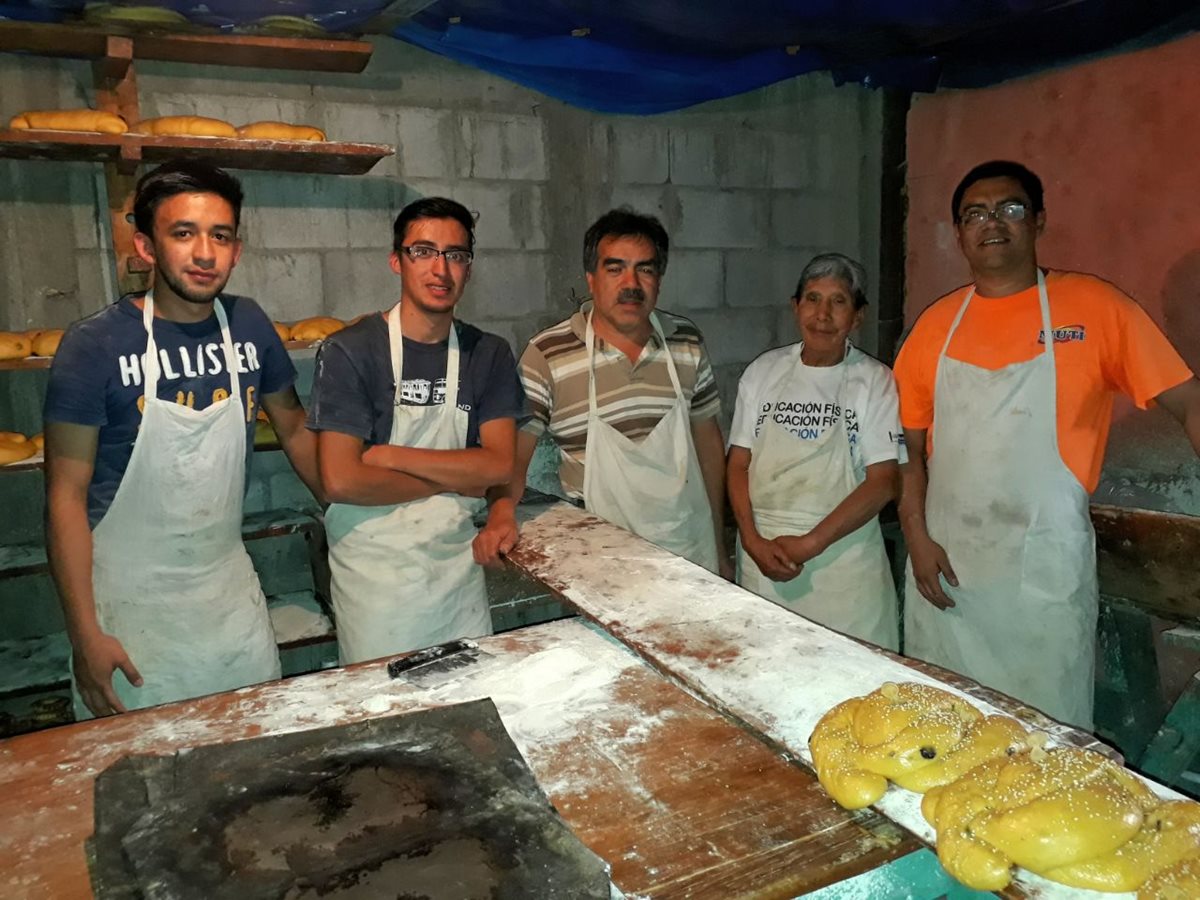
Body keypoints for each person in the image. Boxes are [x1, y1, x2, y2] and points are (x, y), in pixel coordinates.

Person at [895, 160, 1200, 728]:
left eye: (1010, 208)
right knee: (942, 727)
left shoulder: (1095, 308)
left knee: (1044, 736)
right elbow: (907, 449)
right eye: (975, 213)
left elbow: (1188, 401)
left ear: (1038, 221)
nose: (993, 223)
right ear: (959, 232)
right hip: (949, 566)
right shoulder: (936, 327)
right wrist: (915, 535)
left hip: (1042, 574)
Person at [44, 159, 321, 718]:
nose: (204, 254)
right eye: (183, 233)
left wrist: (355, 507)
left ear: (237, 249)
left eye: (220, 236)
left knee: (254, 762)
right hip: (130, 613)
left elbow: (294, 429)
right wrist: (85, 636)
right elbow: (64, 497)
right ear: (147, 247)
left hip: (229, 600)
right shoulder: (93, 345)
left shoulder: (248, 326)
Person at [307, 197, 524, 665]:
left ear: (469, 267)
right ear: (396, 261)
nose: (440, 269)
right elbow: (341, 481)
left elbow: (500, 465)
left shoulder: (487, 354)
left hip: (455, 575)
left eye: (456, 255)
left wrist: (390, 455)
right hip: (375, 583)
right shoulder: (349, 351)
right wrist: (463, 474)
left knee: (470, 707)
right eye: (423, 251)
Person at [473, 208, 730, 576]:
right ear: (591, 279)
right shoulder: (548, 354)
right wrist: (500, 515)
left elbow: (707, 442)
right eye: (615, 269)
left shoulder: (686, 342)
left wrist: (718, 544)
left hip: (688, 548)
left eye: (645, 269)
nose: (631, 283)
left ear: (659, 279)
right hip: (599, 558)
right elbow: (514, 457)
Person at [727, 253, 902, 649]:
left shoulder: (873, 381)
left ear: (858, 316)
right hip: (764, 560)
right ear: (795, 307)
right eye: (812, 298)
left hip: (843, 567)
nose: (822, 314)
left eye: (838, 301)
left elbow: (884, 482)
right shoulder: (762, 372)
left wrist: (811, 543)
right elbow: (738, 463)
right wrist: (752, 540)